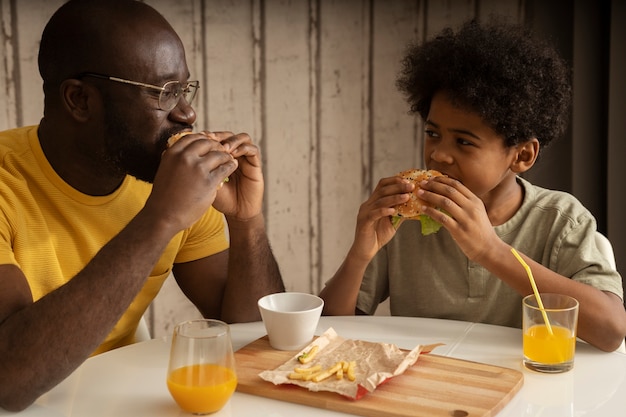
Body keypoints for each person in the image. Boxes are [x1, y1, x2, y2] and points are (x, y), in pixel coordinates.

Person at [0, 0, 284, 411]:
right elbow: (10, 381)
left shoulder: (171, 179)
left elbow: (252, 337)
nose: (187, 113)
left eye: (185, 89)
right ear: (80, 100)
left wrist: (247, 220)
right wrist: (160, 218)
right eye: (164, 93)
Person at [320, 20, 626, 353]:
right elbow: (328, 332)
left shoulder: (560, 221)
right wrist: (359, 254)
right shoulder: (402, 221)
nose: (438, 154)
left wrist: (489, 250)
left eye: (464, 142)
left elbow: (611, 331)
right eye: (433, 134)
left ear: (522, 155)